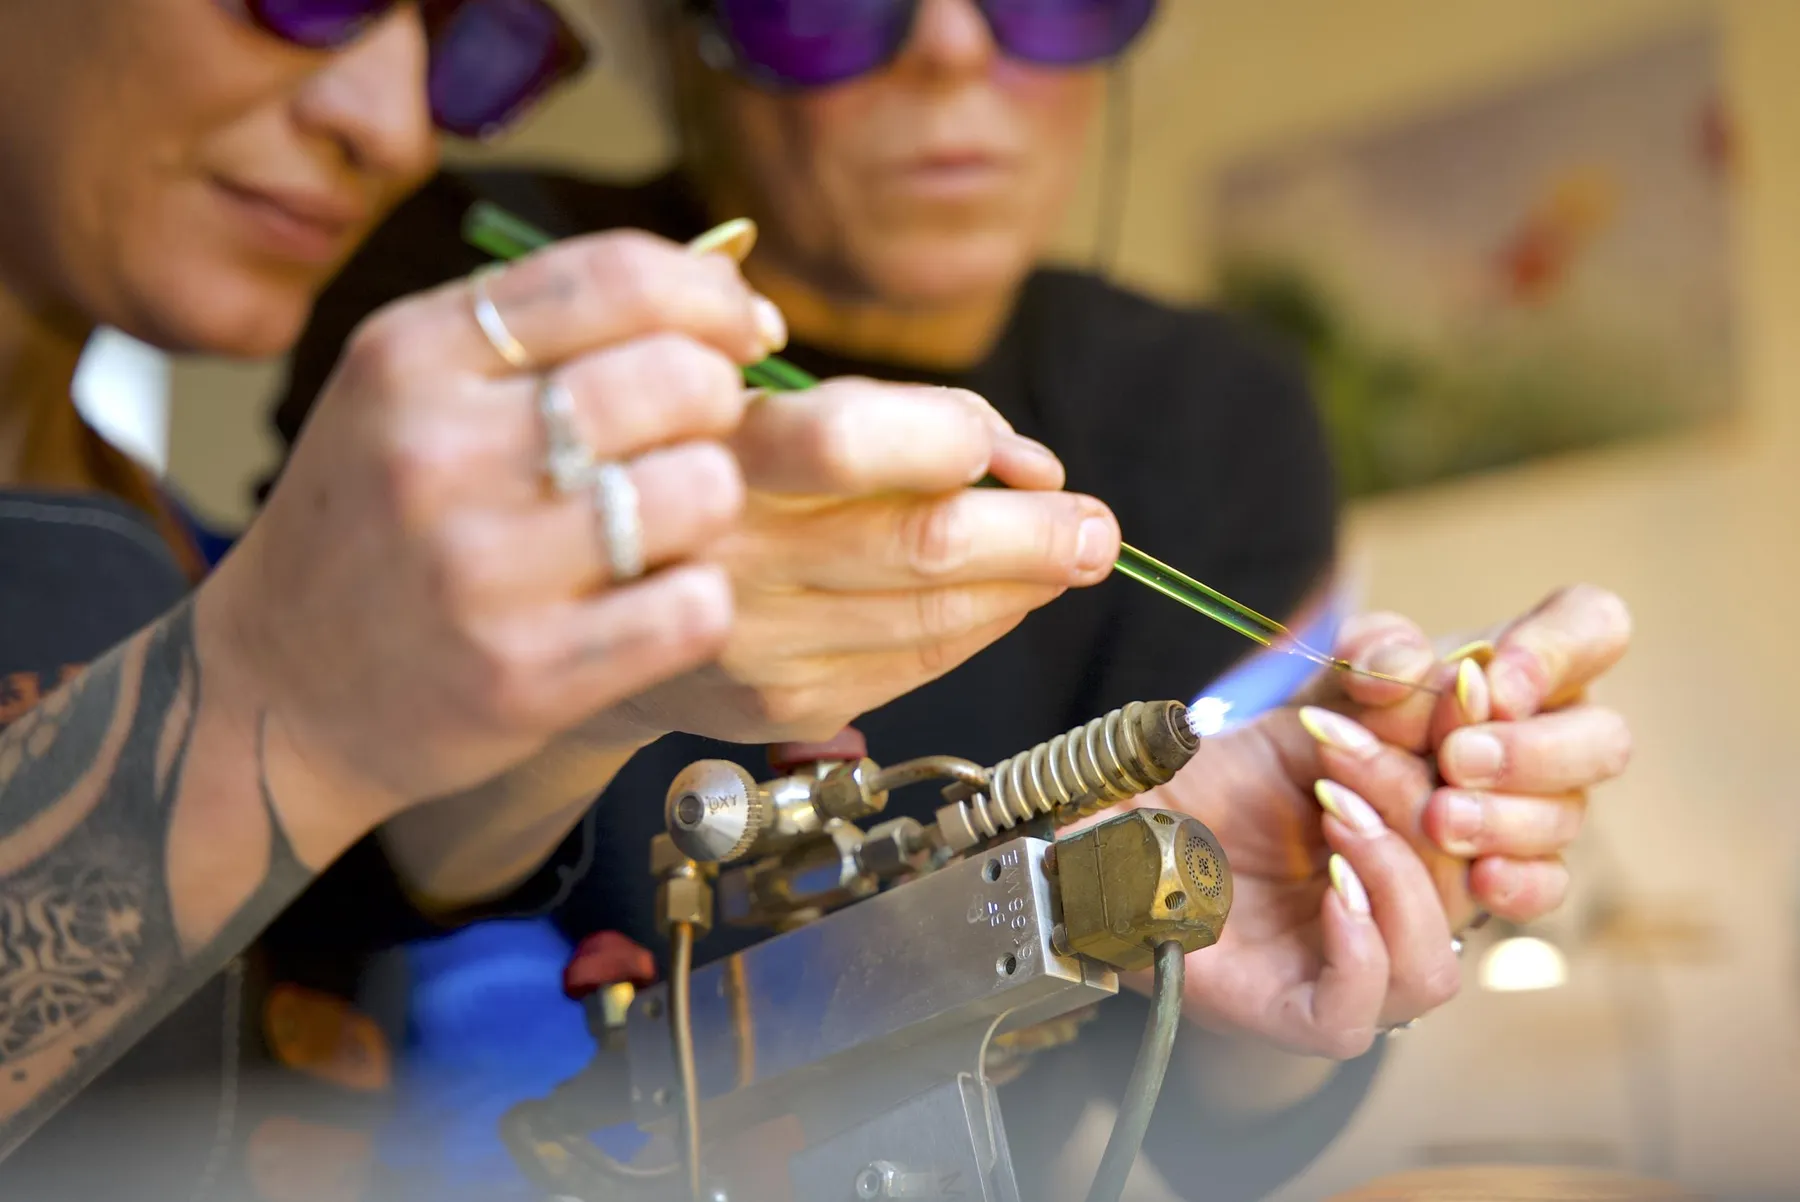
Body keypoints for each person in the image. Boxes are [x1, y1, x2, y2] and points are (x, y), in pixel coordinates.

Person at [267, 0, 1635, 1198]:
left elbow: (1214, 1139)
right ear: (684, 37)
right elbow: (327, 872)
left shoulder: (1212, 409)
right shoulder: (495, 297)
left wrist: (1305, 927)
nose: (953, 49)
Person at [0, 2, 1142, 1199]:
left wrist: (601, 696)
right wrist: (277, 699)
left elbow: (366, 907)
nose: (390, 129)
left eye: (468, 44)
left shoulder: (173, 556)